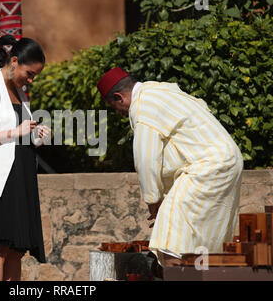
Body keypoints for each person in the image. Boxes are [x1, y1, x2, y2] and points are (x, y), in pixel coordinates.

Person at [97, 67, 244, 265]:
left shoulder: (143, 105)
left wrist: (153, 201)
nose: (120, 113)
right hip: (227, 160)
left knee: (171, 241)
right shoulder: (161, 90)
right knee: (204, 240)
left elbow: (146, 157)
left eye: (115, 107)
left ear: (119, 97)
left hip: (206, 167)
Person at [0, 35, 50, 281]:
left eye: (34, 77)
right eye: (29, 74)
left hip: (22, 178)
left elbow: (21, 133)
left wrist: (37, 134)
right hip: (0, 180)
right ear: (14, 61)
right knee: (0, 248)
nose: (30, 80)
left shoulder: (21, 92)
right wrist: (14, 132)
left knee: (17, 249)